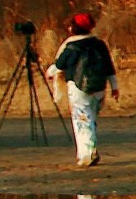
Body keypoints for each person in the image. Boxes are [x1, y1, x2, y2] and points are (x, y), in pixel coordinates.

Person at [46, 12, 119, 168]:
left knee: (82, 120)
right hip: (99, 87)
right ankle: (87, 152)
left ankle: (87, 154)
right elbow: (109, 66)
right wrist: (115, 86)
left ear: (74, 28)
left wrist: (49, 73)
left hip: (79, 88)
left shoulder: (72, 46)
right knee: (90, 119)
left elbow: (60, 65)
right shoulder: (99, 44)